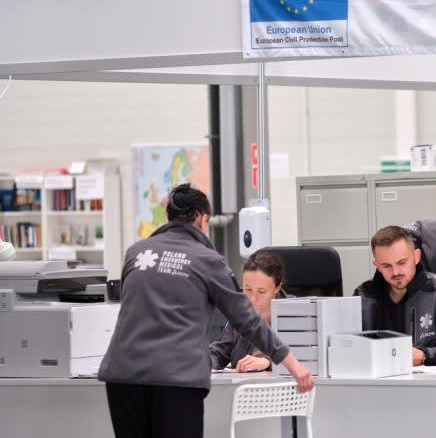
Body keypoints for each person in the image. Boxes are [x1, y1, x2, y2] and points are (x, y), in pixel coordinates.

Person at [98, 184, 313, 438]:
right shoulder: (207, 259)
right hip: (174, 379)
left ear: (169, 216)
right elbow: (247, 319)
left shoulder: (136, 253)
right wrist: (293, 364)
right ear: (203, 219)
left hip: (123, 376)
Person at [354, 225, 436, 366]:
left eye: (402, 262)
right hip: (377, 382)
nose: (395, 272)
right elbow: (348, 346)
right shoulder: (363, 296)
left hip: (430, 384)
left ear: (416, 257)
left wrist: (425, 355)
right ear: (377, 265)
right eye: (386, 266)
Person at [209, 250, 290, 372]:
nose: (252, 299)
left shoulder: (296, 313)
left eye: (261, 291)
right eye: (248, 289)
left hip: (282, 389)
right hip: (242, 387)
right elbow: (220, 352)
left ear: (277, 287)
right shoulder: (239, 312)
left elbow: (307, 358)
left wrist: (268, 362)